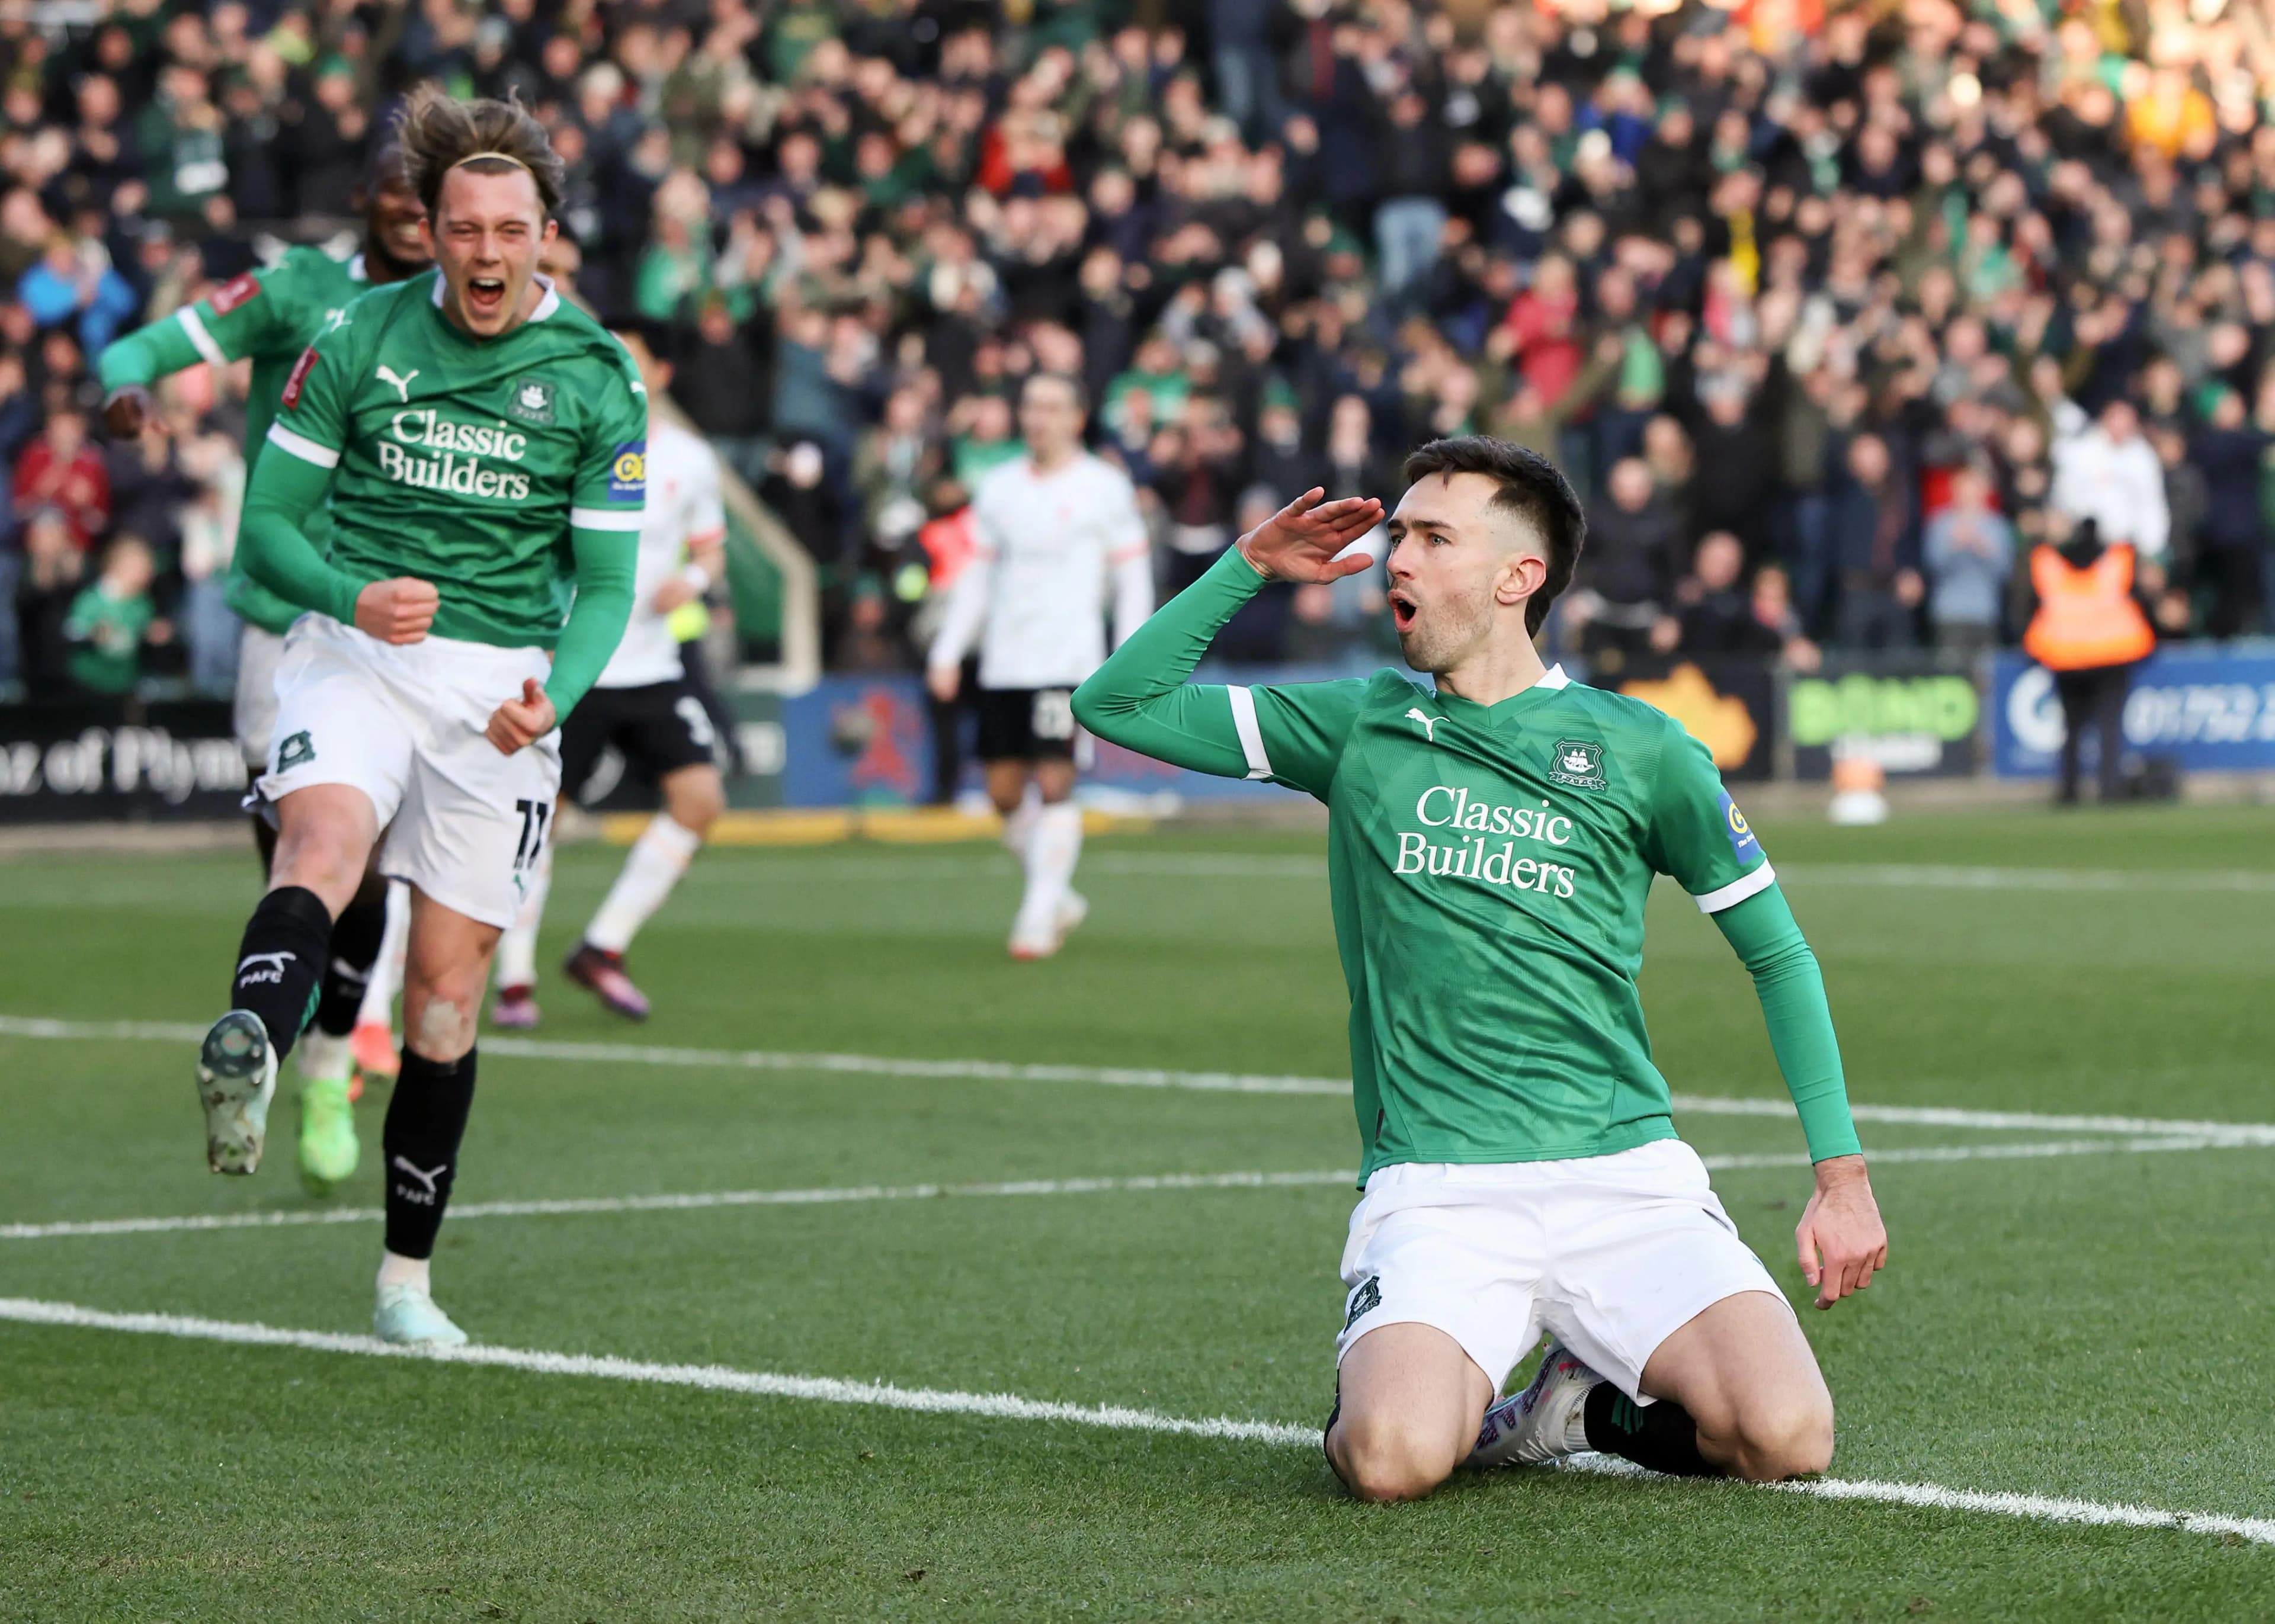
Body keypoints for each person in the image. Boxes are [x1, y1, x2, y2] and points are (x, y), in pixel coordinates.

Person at [1074, 438, 1885, 1502]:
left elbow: (1777, 952)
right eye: (1397, 533)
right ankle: (1425, 1385)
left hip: (1625, 1177)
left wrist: (1842, 1176)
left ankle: (1577, 1410)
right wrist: (1248, 568)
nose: (1396, 558)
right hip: (1441, 1190)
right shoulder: (1359, 723)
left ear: (1518, 578)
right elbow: (1115, 705)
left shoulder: (1643, 749)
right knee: (1393, 1459)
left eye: (1432, 537)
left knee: (1789, 1435)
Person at [193, 88, 646, 1347]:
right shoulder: (351, 337)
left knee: (448, 1001)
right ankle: (256, 1054)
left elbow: (607, 587)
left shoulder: (599, 381)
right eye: (465, 229)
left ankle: (405, 1283)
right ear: (429, 230)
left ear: (546, 231)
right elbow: (266, 529)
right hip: (356, 649)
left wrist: (555, 689)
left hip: (500, 692)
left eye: (511, 229)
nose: (487, 254)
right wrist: (351, 592)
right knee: (320, 852)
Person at [96, 145, 434, 1192]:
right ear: (367, 203)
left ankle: (329, 1063)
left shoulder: (471, 316)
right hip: (282, 619)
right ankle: (288, 1033)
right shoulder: (300, 290)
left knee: (364, 863)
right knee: (301, 858)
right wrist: (125, 386)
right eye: (401, 201)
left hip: (401, 621)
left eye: (439, 205)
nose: (421, 223)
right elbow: (149, 344)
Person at [492, 329, 728, 1027]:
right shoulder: (563, 443)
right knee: (540, 823)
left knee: (700, 798)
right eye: (609, 357)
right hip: (575, 667)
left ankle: (603, 946)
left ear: (661, 370)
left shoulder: (689, 458)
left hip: (653, 664)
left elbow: (711, 551)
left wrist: (690, 579)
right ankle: (514, 977)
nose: (621, 370)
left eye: (634, 358)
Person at [926, 372, 1153, 959]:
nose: (1039, 417)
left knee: (1054, 780)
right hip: (1005, 661)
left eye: (1052, 407)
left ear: (1076, 418)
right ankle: (1057, 893)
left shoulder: (1105, 487)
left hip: (1070, 660)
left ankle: (1034, 914)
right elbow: (975, 577)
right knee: (1004, 792)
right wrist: (950, 649)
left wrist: (1132, 656)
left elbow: (1131, 577)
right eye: (1030, 405)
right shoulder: (998, 487)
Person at [2021, 518, 2158, 805]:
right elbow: (2142, 600)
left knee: (2071, 731)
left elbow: (2029, 605)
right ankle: (2110, 790)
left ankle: (2069, 791)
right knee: (2109, 728)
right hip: (2112, 656)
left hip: (2066, 658)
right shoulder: (2119, 559)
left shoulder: (2048, 561)